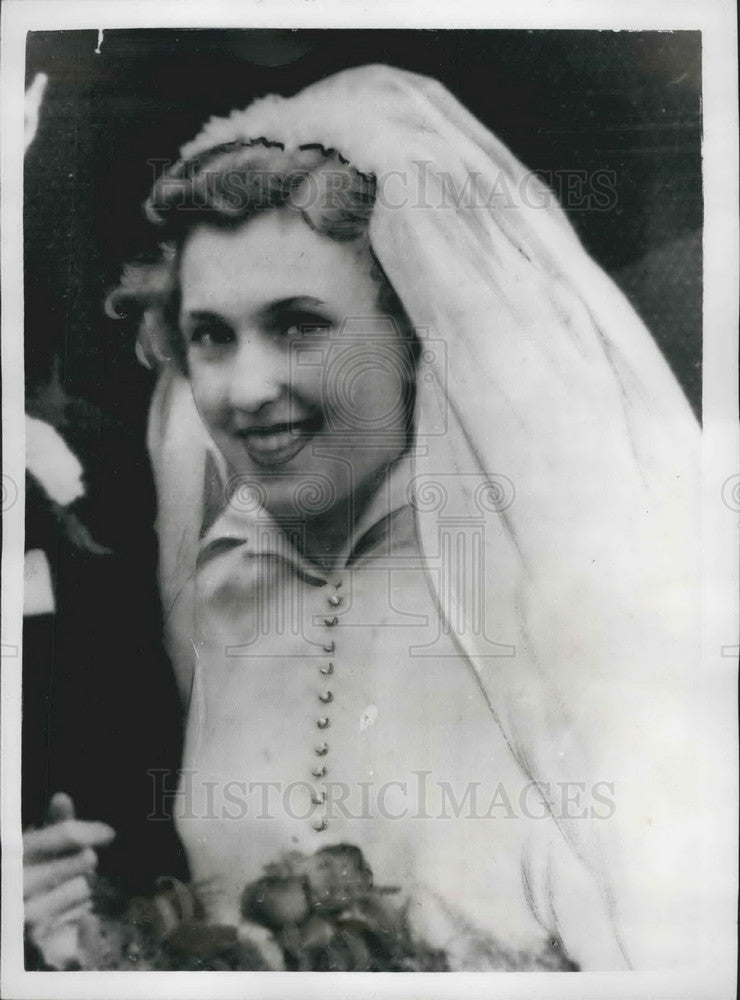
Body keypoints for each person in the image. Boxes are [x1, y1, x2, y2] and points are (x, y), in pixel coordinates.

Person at [24, 64, 715, 971]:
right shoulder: (213, 581)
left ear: (420, 335)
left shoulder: (562, 580)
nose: (244, 389)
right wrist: (78, 931)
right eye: (211, 336)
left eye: (300, 326)